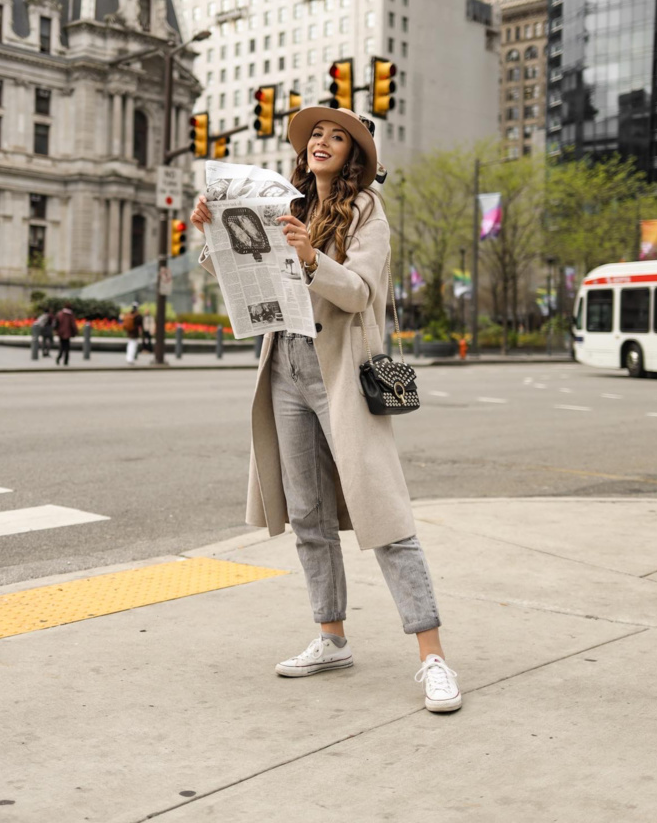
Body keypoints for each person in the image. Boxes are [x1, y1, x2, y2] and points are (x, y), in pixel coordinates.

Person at [190, 106, 461, 713]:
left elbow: (361, 292)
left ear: (354, 155)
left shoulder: (367, 211)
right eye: (318, 133)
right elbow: (247, 274)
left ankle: (433, 656)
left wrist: (313, 258)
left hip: (339, 371)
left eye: (338, 137)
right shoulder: (282, 202)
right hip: (283, 365)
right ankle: (331, 636)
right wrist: (211, 235)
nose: (323, 142)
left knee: (383, 512)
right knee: (308, 513)